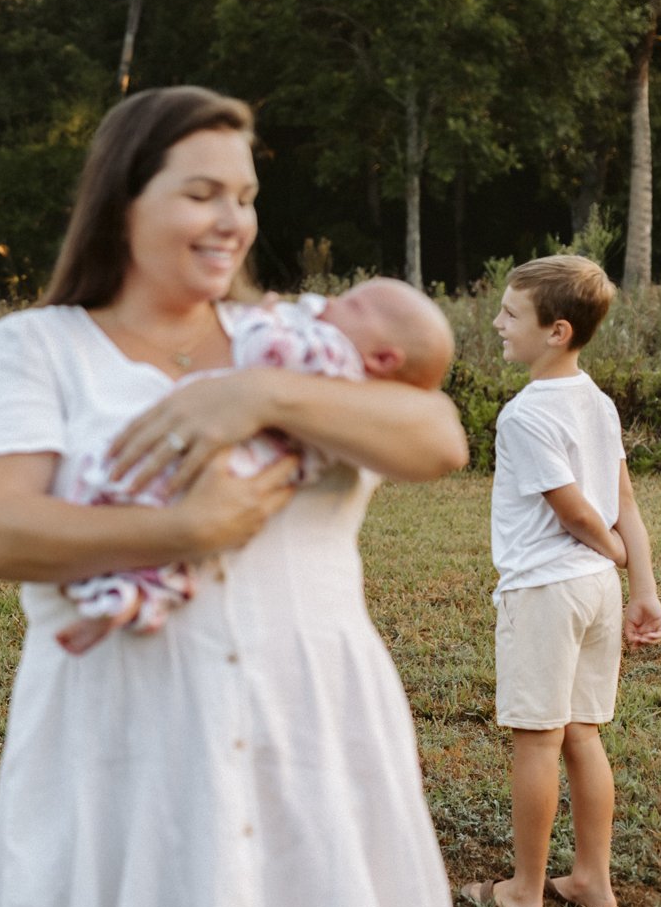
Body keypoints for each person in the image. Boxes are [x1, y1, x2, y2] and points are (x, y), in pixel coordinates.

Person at [0, 87, 480, 907]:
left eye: (243, 195)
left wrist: (254, 396)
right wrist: (186, 524)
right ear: (122, 201)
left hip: (292, 742)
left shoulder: (297, 339)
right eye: (199, 192)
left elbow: (436, 437)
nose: (230, 219)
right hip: (114, 746)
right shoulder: (39, 347)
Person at [57, 278, 456, 651]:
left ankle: (114, 586)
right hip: (251, 474)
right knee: (160, 552)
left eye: (354, 305)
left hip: (234, 463)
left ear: (383, 356)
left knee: (130, 484)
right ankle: (125, 600)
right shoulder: (355, 395)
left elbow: (266, 353)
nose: (329, 300)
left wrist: (263, 318)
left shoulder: (331, 356)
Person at [461, 255, 661, 907]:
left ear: (556, 330)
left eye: (510, 313)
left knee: (537, 738)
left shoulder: (524, 416)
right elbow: (625, 501)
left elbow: (580, 511)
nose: (496, 322)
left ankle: (523, 891)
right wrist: (642, 585)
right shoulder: (598, 401)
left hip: (547, 592)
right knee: (583, 732)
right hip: (598, 592)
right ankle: (591, 880)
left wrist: (606, 548)